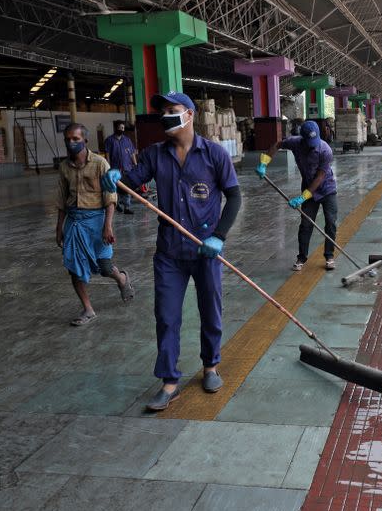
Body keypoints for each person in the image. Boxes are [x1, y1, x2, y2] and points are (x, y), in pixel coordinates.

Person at [102, 91, 242, 411]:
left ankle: (210, 366)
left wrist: (219, 237)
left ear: (189, 115)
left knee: (211, 311)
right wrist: (115, 177)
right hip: (169, 252)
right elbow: (133, 179)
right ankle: (169, 381)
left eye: (172, 110)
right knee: (166, 316)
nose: (166, 116)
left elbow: (234, 198)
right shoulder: (154, 155)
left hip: (205, 250)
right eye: (163, 111)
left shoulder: (214, 155)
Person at [55, 123, 134, 326]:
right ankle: (88, 309)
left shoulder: (100, 163)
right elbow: (62, 199)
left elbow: (110, 198)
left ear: (85, 141)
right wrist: (59, 228)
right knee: (74, 267)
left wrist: (108, 226)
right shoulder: (64, 167)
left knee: (105, 267)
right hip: (74, 222)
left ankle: (122, 278)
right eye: (68, 139)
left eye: (76, 139)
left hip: (97, 221)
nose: (71, 142)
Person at [257, 120, 337, 271]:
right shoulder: (295, 143)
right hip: (308, 185)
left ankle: (329, 256)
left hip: (327, 189)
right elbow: (277, 145)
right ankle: (301, 258)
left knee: (331, 223)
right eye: (309, 142)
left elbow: (320, 177)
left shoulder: (325, 150)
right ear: (303, 138)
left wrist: (302, 197)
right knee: (306, 224)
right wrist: (264, 162)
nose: (312, 145)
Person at [103, 120, 138, 214]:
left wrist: (135, 164)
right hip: (115, 169)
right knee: (115, 188)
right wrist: (108, 167)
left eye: (123, 128)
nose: (121, 129)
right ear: (116, 128)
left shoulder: (127, 140)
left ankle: (127, 207)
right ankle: (117, 203)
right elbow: (107, 154)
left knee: (127, 188)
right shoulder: (109, 140)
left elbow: (132, 153)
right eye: (120, 128)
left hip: (127, 168)